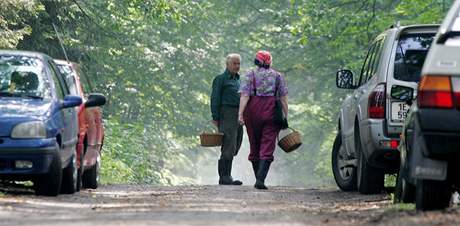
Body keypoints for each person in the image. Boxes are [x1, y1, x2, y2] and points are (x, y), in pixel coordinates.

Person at [238, 50, 288, 189]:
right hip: (271, 111)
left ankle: (258, 178)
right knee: (268, 144)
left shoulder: (249, 75)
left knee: (254, 144)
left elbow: (244, 96)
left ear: (256, 61)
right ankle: (260, 179)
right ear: (269, 61)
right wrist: (286, 115)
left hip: (252, 112)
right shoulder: (278, 76)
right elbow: (283, 98)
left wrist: (240, 114)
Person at [210, 53, 244, 185]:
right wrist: (215, 117)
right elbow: (215, 98)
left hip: (238, 114)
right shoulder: (220, 79)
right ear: (227, 64)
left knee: (236, 143)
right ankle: (224, 177)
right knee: (228, 145)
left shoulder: (238, 80)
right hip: (227, 113)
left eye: (238, 64)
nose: (237, 66)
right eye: (234, 63)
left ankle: (227, 175)